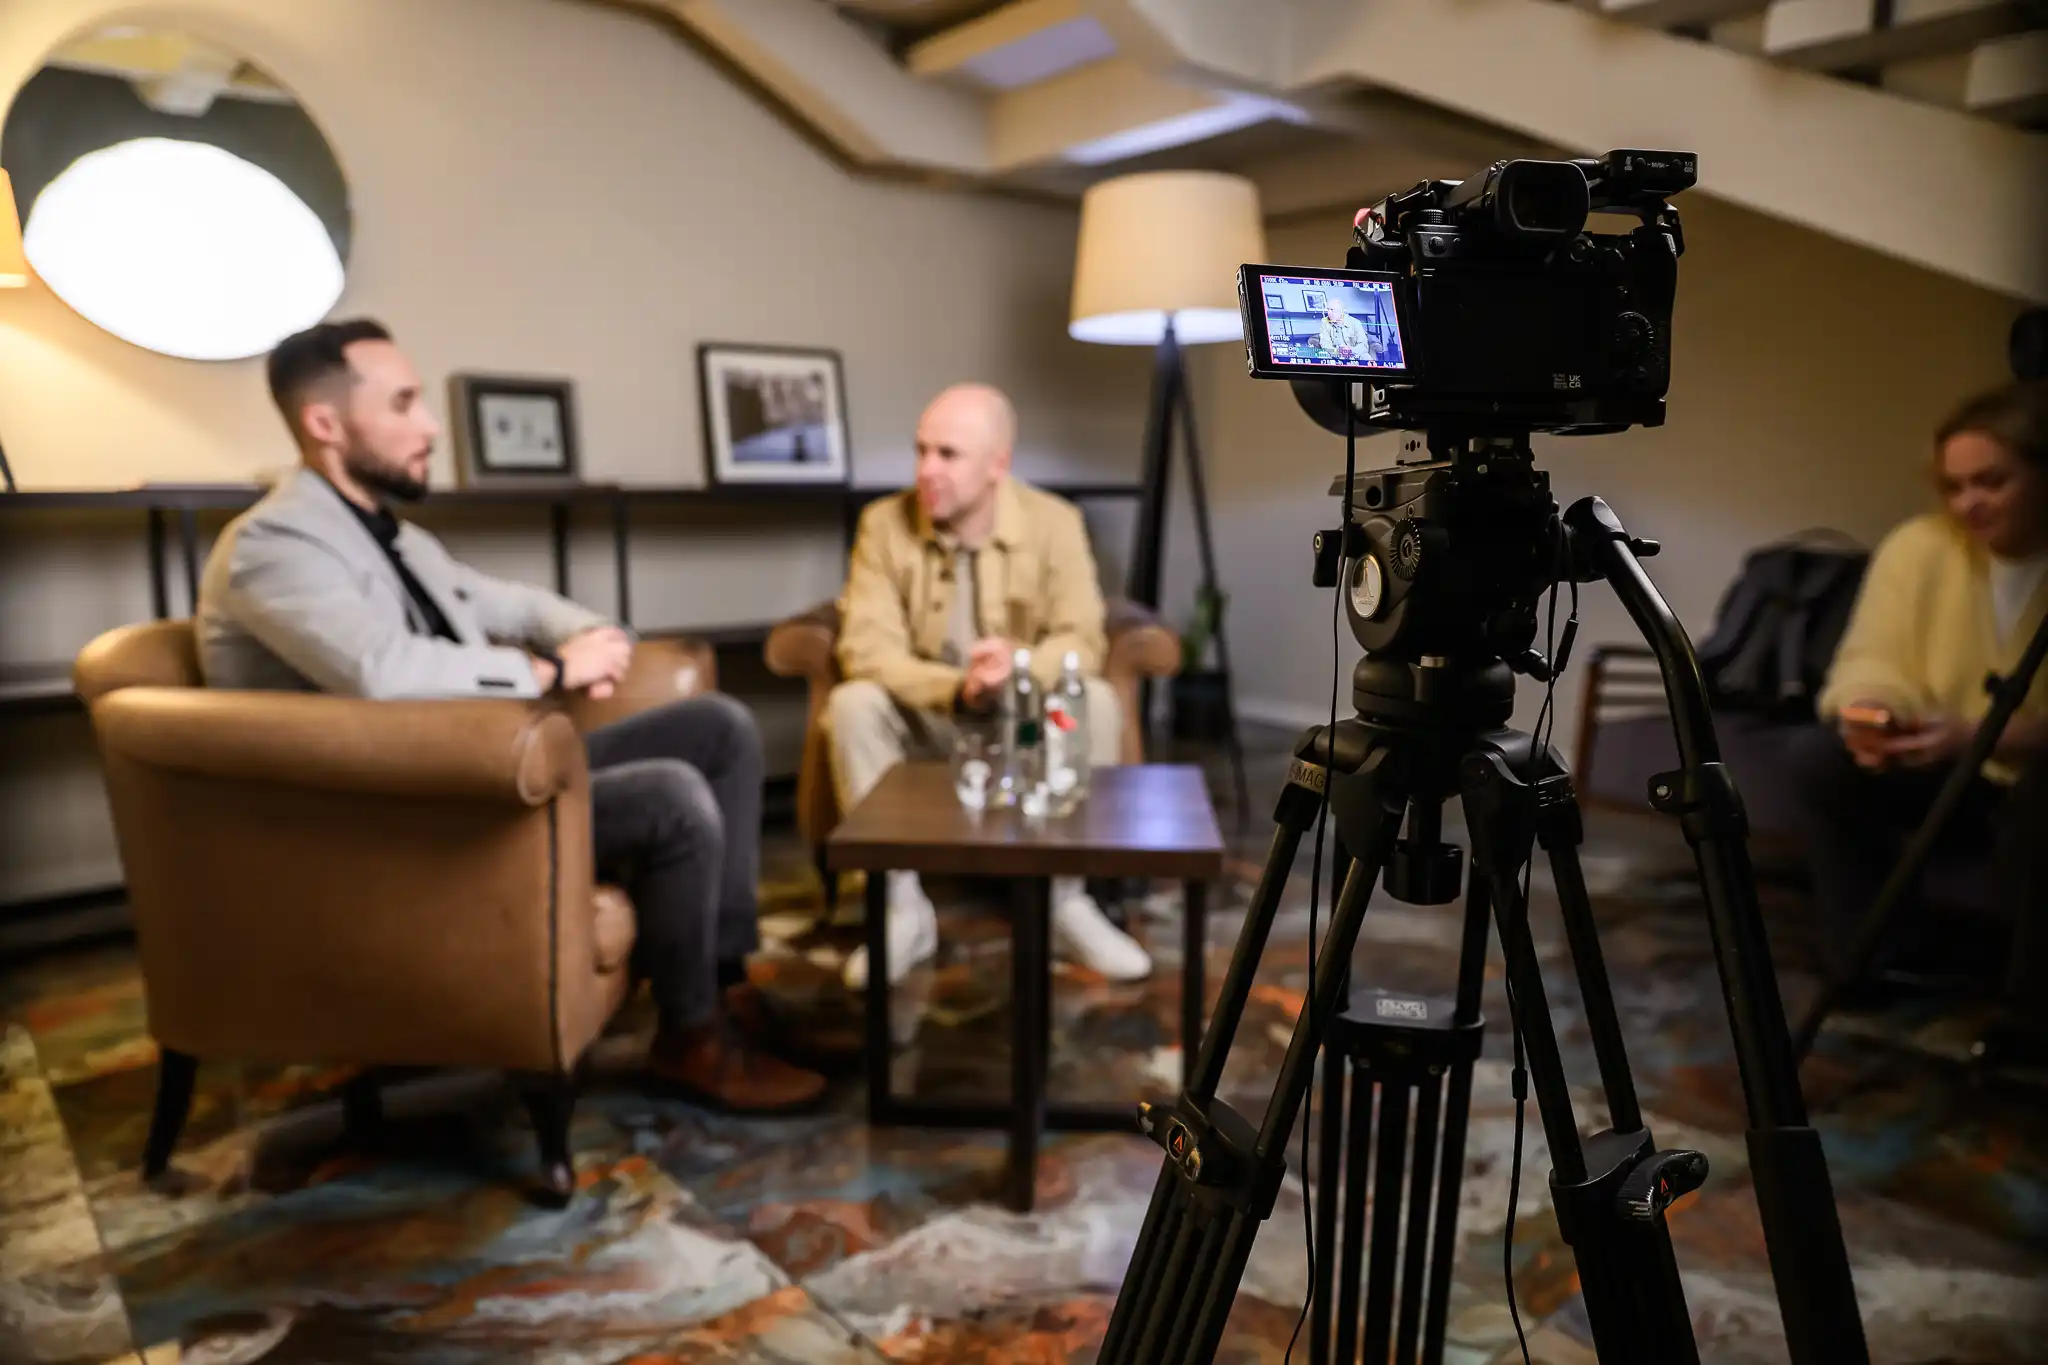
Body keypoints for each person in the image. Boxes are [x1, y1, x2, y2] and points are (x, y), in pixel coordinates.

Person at [195, 318, 826, 1112]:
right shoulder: (274, 546)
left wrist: (593, 635)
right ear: (325, 423)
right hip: (394, 826)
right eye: (405, 403)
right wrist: (552, 671)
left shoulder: (395, 538)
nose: (431, 426)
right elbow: (381, 672)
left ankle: (724, 985)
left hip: (471, 779)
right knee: (670, 795)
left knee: (719, 727)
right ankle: (690, 1036)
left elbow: (512, 604)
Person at [827, 382, 1152, 989]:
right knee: (852, 703)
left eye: (947, 455)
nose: (926, 470)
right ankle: (901, 909)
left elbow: (1082, 639)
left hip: (1022, 724)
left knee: (1099, 700)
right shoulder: (883, 524)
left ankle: (1064, 902)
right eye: (921, 450)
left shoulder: (1056, 522)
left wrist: (1019, 666)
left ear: (997, 463)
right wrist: (956, 688)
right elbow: (866, 649)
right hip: (930, 720)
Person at [1797, 377, 2048, 1065]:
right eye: (1953, 486)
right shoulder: (1920, 546)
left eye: (1992, 481)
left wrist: (1987, 737)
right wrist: (1875, 717)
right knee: (1821, 758)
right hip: (1946, 766)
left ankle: (2029, 1015)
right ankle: (1872, 961)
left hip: (2028, 775)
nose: (1969, 503)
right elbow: (1871, 658)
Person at [1317, 297, 1371, 363]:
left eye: (1332, 310)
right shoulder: (1324, 322)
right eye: (1328, 309)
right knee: (1323, 355)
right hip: (1335, 354)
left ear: (1341, 312)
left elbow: (1363, 346)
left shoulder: (1355, 323)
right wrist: (1338, 352)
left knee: (1366, 356)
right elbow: (1325, 343)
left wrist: (1351, 351)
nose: (1329, 313)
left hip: (1354, 354)